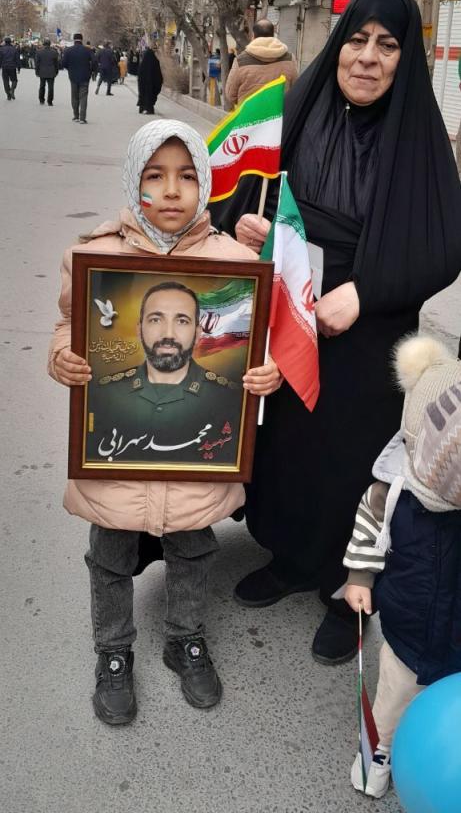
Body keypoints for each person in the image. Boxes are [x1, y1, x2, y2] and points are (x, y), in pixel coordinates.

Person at [211, 0, 461, 664]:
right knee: (286, 442)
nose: (367, 57)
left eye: (387, 45)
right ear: (338, 45)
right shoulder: (300, 107)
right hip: (289, 311)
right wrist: (250, 226)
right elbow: (250, 192)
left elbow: (444, 247)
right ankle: (290, 559)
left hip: (367, 332)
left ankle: (341, 592)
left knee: (352, 458)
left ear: (405, 58)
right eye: (357, 40)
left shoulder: (418, 137)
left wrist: (365, 292)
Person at [47, 119, 281, 726]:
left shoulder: (234, 264)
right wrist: (63, 356)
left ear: (205, 184)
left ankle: (185, 638)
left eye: (186, 176)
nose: (172, 190)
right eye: (155, 176)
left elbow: (261, 345)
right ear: (134, 181)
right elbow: (69, 325)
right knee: (108, 555)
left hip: (197, 462)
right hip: (113, 460)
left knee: (194, 548)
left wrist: (267, 373)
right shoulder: (96, 257)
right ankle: (113, 651)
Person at [344, 334, 461, 799]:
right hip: (406, 629)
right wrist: (359, 577)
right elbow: (369, 528)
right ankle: (379, 749)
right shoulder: (392, 492)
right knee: (394, 698)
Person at [86, 281, 242, 466]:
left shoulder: (228, 397)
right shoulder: (104, 393)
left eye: (182, 321)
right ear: (139, 330)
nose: (168, 334)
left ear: (198, 333)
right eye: (155, 320)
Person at [225, 18, 298, 108]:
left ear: (253, 36)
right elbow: (296, 89)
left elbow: (230, 95)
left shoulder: (240, 61)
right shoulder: (290, 59)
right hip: (279, 114)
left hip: (250, 114)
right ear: (273, 35)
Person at [62, 33, 96, 124]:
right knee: (83, 97)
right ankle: (82, 118)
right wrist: (91, 71)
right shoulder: (88, 50)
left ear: (74, 39)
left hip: (73, 76)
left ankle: (76, 116)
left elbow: (63, 63)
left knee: (74, 96)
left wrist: (70, 68)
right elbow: (94, 61)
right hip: (85, 76)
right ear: (82, 39)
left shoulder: (68, 50)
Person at [138, 45, 163, 114]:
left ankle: (142, 107)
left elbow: (139, 74)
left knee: (143, 94)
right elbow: (158, 75)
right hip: (152, 83)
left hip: (143, 84)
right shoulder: (155, 61)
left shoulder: (143, 63)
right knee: (150, 95)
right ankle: (149, 109)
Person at [35, 38, 59, 106]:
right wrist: (56, 71)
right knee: (51, 87)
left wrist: (37, 71)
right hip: (51, 72)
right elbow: (56, 63)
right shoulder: (54, 52)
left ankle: (41, 100)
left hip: (42, 71)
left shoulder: (39, 52)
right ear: (50, 44)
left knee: (42, 86)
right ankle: (50, 101)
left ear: (43, 44)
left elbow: (37, 63)